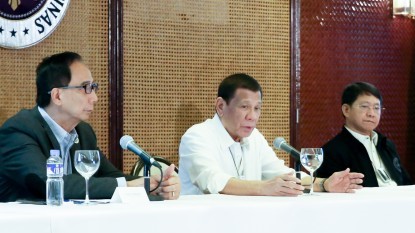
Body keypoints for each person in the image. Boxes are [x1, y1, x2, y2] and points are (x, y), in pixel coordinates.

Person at [0, 52, 180, 202]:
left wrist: (154, 184)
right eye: (85, 87)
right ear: (57, 96)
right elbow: (50, 183)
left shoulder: (83, 132)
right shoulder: (18, 131)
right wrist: (133, 186)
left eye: (93, 87)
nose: (94, 98)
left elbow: (109, 176)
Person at [179, 73, 364, 196]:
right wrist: (265, 187)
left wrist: (324, 184)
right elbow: (212, 182)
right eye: (244, 107)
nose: (252, 116)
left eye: (257, 108)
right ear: (221, 106)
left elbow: (284, 175)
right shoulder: (197, 136)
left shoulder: (254, 137)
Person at [316, 82, 412, 187]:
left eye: (376, 108)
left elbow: (406, 183)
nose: (371, 113)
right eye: (364, 106)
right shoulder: (331, 151)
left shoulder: (386, 145)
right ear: (346, 110)